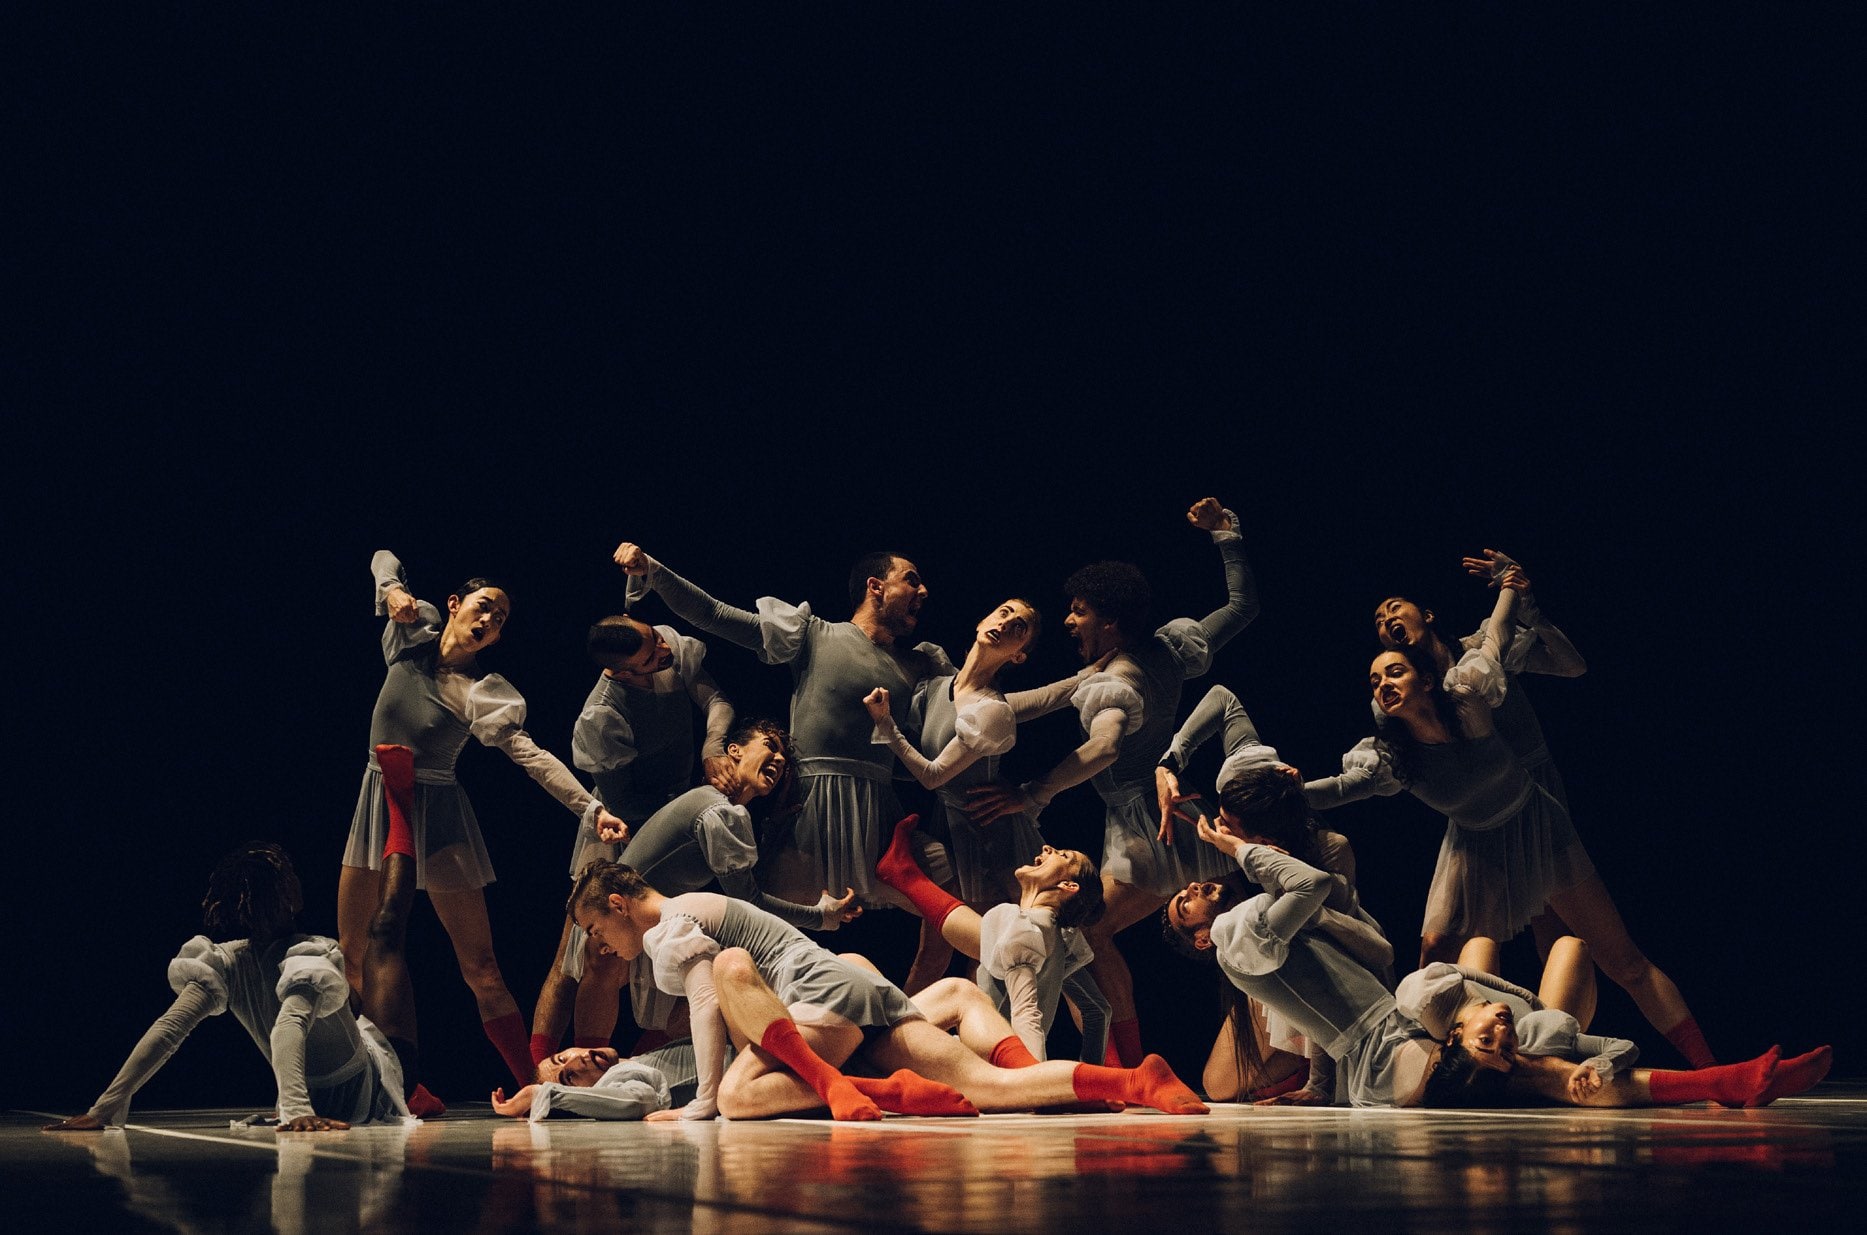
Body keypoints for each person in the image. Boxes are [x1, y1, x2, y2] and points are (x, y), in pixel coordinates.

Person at [1306, 581, 1716, 1066]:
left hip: (1529, 808)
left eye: (1394, 608)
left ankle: (1686, 1067)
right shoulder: (1397, 733)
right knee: (1440, 951)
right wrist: (1275, 795)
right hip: (1474, 826)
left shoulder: (1473, 676)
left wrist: (1515, 594)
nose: (1385, 621)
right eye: (1376, 620)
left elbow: (1548, 656)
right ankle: (1432, 1064)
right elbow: (1348, 785)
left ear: (1428, 615)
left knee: (1581, 947)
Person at [568, 863, 1210, 1120]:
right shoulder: (698, 905)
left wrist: (700, 1102)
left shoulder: (668, 928)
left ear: (619, 904)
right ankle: (1131, 1083)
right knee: (991, 1087)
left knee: (737, 1098)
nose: (603, 946)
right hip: (853, 994)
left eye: (597, 929)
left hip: (823, 1000)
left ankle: (856, 1088)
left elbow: (711, 1000)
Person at [970, 498, 1260, 1066]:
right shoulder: (1165, 651)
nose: (1069, 621)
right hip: (1166, 815)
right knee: (1095, 937)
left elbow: (1102, 749)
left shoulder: (1122, 676)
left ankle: (1121, 1066)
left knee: (1089, 934)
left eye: (1078, 611)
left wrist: (1032, 793)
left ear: (1109, 619)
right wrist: (1228, 534)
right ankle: (1117, 1061)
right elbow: (1243, 606)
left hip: (1144, 829)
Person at [612, 540, 959, 989]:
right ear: (876, 586)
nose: (923, 590)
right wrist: (654, 571)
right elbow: (715, 615)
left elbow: (969, 719)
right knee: (754, 948)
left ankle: (915, 1014)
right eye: (910, 579)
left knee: (949, 902)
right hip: (809, 818)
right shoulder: (814, 634)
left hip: (878, 818)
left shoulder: (920, 664)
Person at [340, 551, 627, 1088]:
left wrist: (591, 808)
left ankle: (531, 1086)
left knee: (482, 967)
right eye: (484, 608)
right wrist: (392, 591)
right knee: (353, 955)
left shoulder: (479, 692)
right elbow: (383, 557)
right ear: (453, 606)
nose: (490, 622)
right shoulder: (411, 633)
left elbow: (531, 755)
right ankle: (382, 1082)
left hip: (440, 813)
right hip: (378, 799)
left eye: (500, 621)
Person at [42, 844, 407, 1133]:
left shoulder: (229, 962)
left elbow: (169, 1030)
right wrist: (296, 1110)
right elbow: (287, 1026)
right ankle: (398, 827)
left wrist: (105, 1107)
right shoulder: (306, 951)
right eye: (291, 876)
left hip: (318, 1090)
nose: (298, 882)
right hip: (362, 1093)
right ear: (286, 896)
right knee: (384, 941)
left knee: (359, 987)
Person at [1155, 698, 1396, 1102]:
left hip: (1332, 977)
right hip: (1266, 958)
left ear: (1263, 843)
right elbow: (1223, 700)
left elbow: (1341, 965)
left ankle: (1313, 1072)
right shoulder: (1247, 787)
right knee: (1217, 1084)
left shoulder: (1322, 857)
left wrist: (1318, 1086)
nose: (1217, 829)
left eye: (1228, 827)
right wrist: (1169, 764)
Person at [569, 720, 862, 1051]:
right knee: (726, 978)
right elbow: (749, 899)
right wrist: (821, 916)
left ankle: (631, 1074)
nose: (779, 760)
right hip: (628, 919)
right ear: (734, 751)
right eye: (770, 746)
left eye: (783, 759)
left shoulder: (726, 810)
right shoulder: (717, 811)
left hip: (654, 922)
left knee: (700, 999)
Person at [530, 612, 736, 1065]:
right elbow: (623, 801)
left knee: (678, 954)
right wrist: (676, 826)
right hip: (623, 829)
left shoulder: (664, 647)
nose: (663, 650)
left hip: (680, 821)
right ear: (621, 672)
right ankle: (568, 1069)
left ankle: (647, 1065)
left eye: (655, 639)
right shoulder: (602, 715)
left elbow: (717, 701)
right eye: (649, 656)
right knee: (590, 957)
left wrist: (711, 748)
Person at [874, 814, 1109, 1062]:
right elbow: (1098, 1011)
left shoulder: (1026, 929)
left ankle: (905, 876)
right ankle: (904, 875)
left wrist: (1030, 1083)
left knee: (956, 991)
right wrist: (1092, 1080)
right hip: (990, 1060)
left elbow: (1027, 1015)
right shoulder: (1058, 938)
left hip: (987, 1065)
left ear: (1068, 886)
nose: (1047, 847)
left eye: (1063, 856)